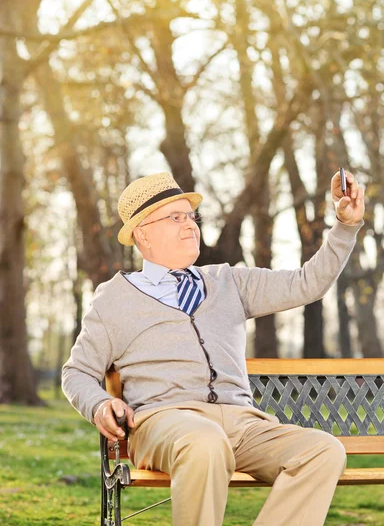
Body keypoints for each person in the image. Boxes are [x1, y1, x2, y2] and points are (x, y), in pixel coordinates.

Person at [62, 169, 365, 526]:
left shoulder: (229, 281)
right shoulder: (114, 299)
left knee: (323, 450)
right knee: (205, 440)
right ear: (142, 234)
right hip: (165, 422)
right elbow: (77, 372)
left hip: (243, 424)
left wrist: (345, 227)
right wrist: (99, 404)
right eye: (175, 217)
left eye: (191, 217)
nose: (190, 225)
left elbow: (307, 283)